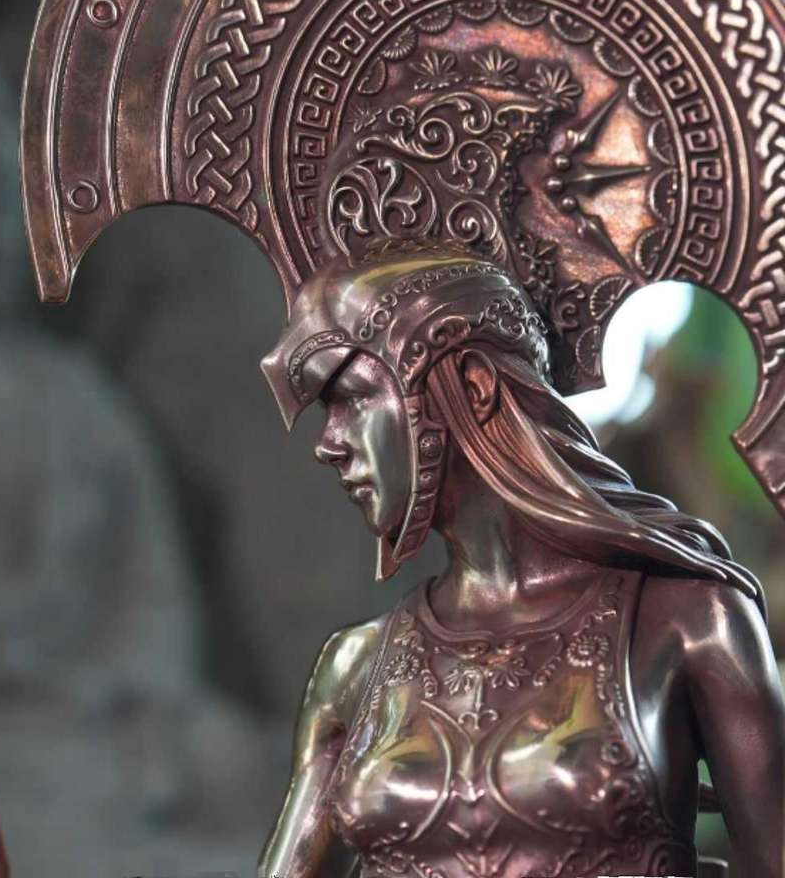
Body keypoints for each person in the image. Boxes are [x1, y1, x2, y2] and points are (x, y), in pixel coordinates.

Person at [257, 251, 785, 878]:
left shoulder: (688, 622)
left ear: (475, 386)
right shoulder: (354, 665)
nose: (328, 444)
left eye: (353, 399)